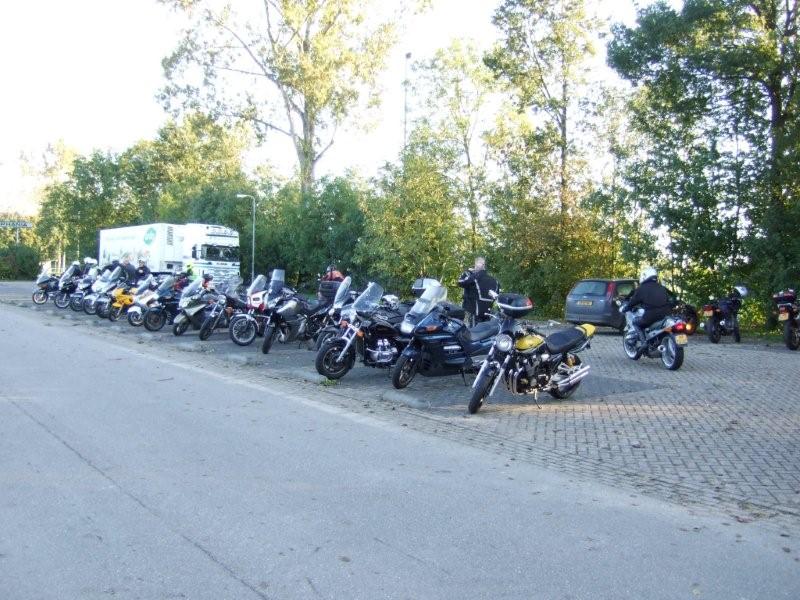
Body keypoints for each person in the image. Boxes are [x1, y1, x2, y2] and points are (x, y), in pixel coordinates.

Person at [623, 267, 672, 340]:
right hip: (666, 315)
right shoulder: (661, 287)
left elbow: (633, 301)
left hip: (651, 316)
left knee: (636, 323)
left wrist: (626, 308)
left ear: (645, 276)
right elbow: (669, 300)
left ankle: (643, 343)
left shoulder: (642, 288)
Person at [458, 257, 499, 325]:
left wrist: (469, 272)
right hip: (487, 315)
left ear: (476, 264)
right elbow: (496, 295)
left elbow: (460, 283)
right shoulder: (495, 281)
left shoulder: (472, 277)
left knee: (470, 330)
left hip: (472, 313)